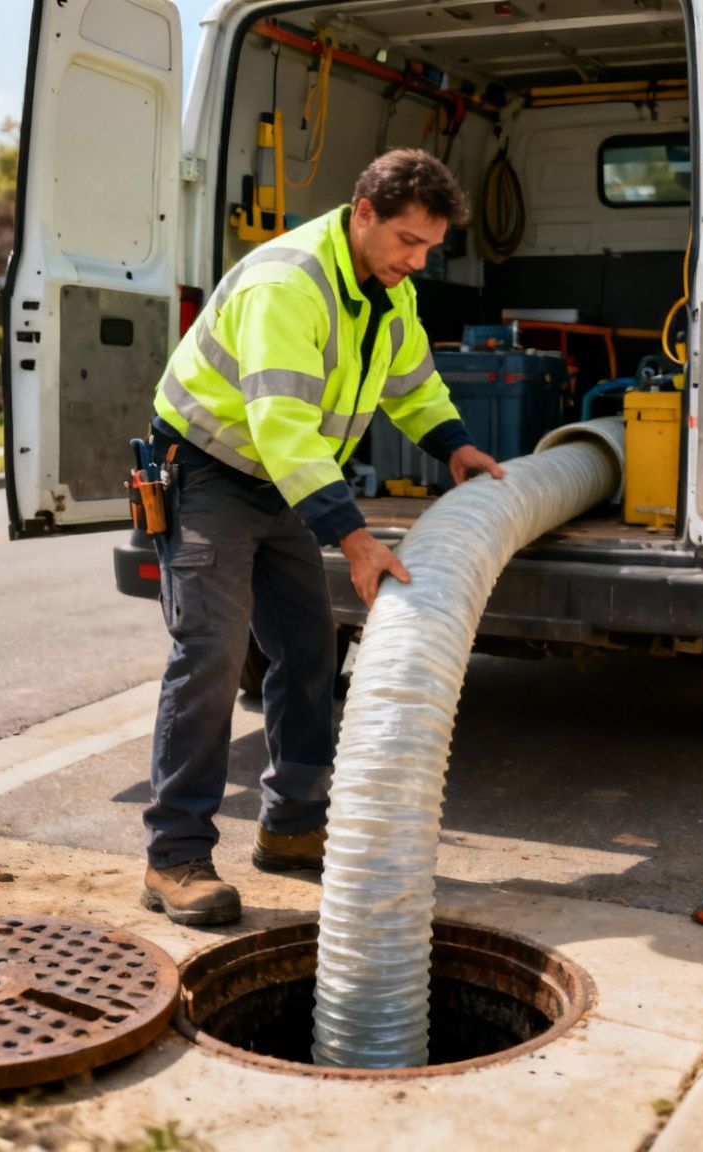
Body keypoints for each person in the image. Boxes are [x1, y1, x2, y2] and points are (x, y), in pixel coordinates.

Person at [140, 148, 506, 925]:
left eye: (429, 248)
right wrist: (353, 536)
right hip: (208, 470)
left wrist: (452, 444)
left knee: (308, 649)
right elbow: (282, 421)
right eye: (409, 241)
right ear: (363, 212)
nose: (417, 260)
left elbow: (411, 379)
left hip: (281, 476)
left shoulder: (386, 287)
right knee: (209, 652)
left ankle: (293, 828)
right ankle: (173, 856)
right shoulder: (289, 283)